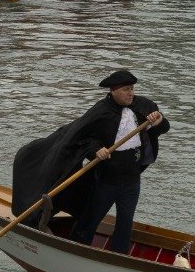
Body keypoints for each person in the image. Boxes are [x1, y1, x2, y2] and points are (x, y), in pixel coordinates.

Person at [62, 70, 169, 253]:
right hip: (106, 180)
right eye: (126, 89)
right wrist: (96, 150)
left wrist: (158, 121)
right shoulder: (100, 110)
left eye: (132, 88)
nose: (131, 93)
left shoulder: (144, 105)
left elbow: (164, 127)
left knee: (125, 223)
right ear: (114, 90)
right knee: (91, 220)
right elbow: (82, 137)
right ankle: (76, 250)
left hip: (132, 180)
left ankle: (119, 256)